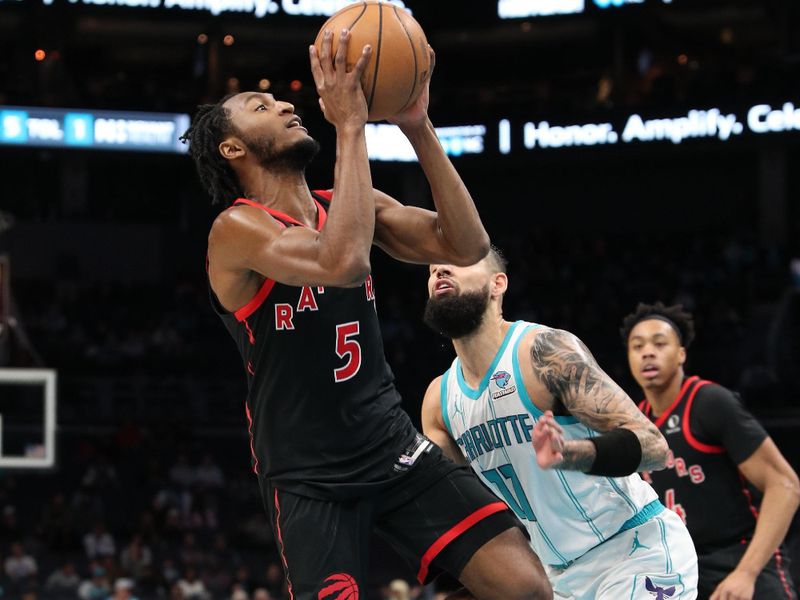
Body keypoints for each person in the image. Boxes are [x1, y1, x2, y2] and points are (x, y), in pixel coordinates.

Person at [181, 29, 549, 600]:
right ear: (234, 149)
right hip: (308, 476)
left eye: (280, 100)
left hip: (391, 447)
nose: (283, 104)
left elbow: (467, 244)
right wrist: (350, 126)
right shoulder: (236, 229)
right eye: (260, 106)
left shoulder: (350, 205)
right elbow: (344, 262)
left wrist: (417, 126)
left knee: (526, 588)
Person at [421, 250, 698, 599]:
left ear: (498, 284)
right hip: (555, 578)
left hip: (634, 550)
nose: (439, 270)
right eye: (431, 270)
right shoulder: (439, 402)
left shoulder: (544, 352)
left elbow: (655, 447)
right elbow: (441, 502)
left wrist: (572, 453)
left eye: (458, 261)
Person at [622, 302, 800, 600]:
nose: (647, 352)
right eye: (637, 346)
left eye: (660, 343)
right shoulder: (632, 424)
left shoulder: (709, 402)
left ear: (681, 354)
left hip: (739, 556)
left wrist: (746, 573)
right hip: (679, 569)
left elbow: (786, 485)